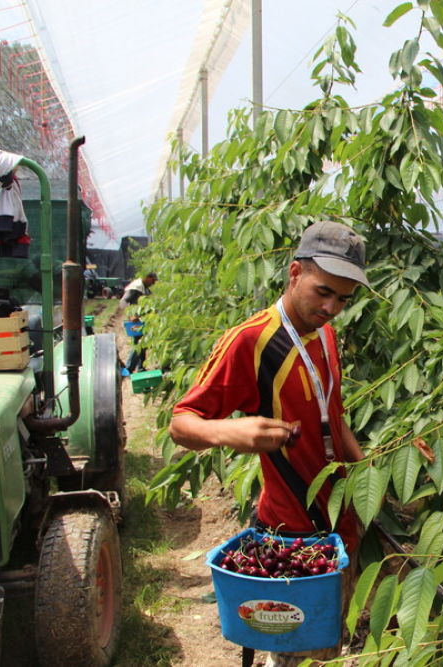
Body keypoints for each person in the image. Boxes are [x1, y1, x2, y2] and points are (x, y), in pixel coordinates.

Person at [168, 221, 368, 666]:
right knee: (296, 650)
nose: (332, 308)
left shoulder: (325, 334)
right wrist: (230, 433)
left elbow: (332, 417)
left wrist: (368, 474)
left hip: (341, 525)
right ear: (295, 273)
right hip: (293, 534)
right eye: (323, 292)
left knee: (330, 644)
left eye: (343, 299)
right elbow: (181, 423)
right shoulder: (251, 341)